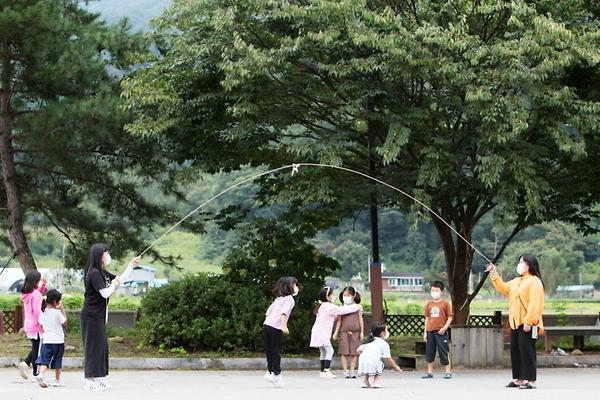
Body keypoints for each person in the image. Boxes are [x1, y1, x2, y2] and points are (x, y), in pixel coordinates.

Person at [80, 243, 140, 391]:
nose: (108, 255)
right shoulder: (93, 273)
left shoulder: (102, 272)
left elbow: (121, 279)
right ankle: (89, 381)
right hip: (91, 316)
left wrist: (131, 265)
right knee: (93, 347)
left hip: (99, 316)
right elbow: (105, 293)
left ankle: (98, 378)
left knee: (101, 347)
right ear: (99, 255)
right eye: (105, 253)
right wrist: (113, 284)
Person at [487, 254, 544, 389]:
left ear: (529, 265)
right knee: (516, 350)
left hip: (528, 323)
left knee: (527, 350)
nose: (519, 265)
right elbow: (503, 288)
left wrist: (529, 321)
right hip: (515, 322)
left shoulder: (535, 282)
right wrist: (494, 273)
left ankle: (531, 380)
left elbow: (535, 304)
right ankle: (519, 379)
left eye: (522, 262)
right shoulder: (516, 281)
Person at [310, 286, 361, 378]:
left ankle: (322, 371)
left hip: (317, 331)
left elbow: (331, 316)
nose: (334, 296)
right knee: (330, 350)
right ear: (327, 297)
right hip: (322, 333)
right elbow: (343, 310)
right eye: (332, 294)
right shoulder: (330, 306)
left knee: (323, 351)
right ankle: (326, 370)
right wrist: (357, 307)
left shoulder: (321, 306)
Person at [263, 276, 299, 387]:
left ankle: (270, 372)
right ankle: (277, 375)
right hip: (275, 327)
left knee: (270, 350)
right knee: (276, 351)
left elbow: (268, 312)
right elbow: (283, 313)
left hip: (267, 325)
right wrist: (284, 326)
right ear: (289, 287)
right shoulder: (289, 300)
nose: (296, 287)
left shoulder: (278, 299)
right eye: (295, 285)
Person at [18, 270, 46, 381]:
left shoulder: (26, 294)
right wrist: (42, 324)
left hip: (28, 325)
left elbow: (37, 294)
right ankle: (36, 370)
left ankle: (25, 363)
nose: (40, 282)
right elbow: (37, 311)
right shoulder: (36, 295)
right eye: (39, 280)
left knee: (35, 346)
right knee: (37, 348)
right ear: (35, 281)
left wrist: (43, 285)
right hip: (36, 325)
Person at [36, 289, 67, 388]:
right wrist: (62, 308)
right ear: (55, 302)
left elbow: (40, 324)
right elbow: (64, 322)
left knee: (45, 359)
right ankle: (57, 380)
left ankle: (41, 374)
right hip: (58, 340)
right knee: (57, 360)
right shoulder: (57, 313)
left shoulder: (43, 312)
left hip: (47, 340)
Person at [421, 280, 453, 379]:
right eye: (432, 290)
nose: (434, 292)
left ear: (442, 292)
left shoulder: (446, 304)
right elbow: (426, 318)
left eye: (436, 290)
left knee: (443, 351)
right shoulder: (429, 304)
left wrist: (444, 328)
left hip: (441, 332)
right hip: (430, 331)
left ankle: (448, 372)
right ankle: (430, 372)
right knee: (430, 352)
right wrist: (425, 332)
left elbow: (450, 317)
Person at [357, 322, 402, 388]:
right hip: (374, 362)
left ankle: (365, 381)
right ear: (382, 333)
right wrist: (396, 367)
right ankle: (376, 381)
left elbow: (358, 350)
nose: (387, 332)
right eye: (386, 330)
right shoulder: (384, 344)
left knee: (370, 364)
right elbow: (388, 358)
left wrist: (366, 355)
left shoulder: (369, 341)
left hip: (362, 361)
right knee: (380, 363)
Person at [332, 286, 364, 378]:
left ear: (353, 296)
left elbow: (360, 319)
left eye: (348, 295)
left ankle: (352, 371)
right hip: (344, 332)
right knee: (344, 352)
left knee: (354, 352)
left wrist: (362, 332)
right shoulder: (341, 307)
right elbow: (339, 321)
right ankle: (345, 371)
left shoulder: (358, 307)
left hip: (355, 332)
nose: (346, 297)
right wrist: (336, 332)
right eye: (344, 295)